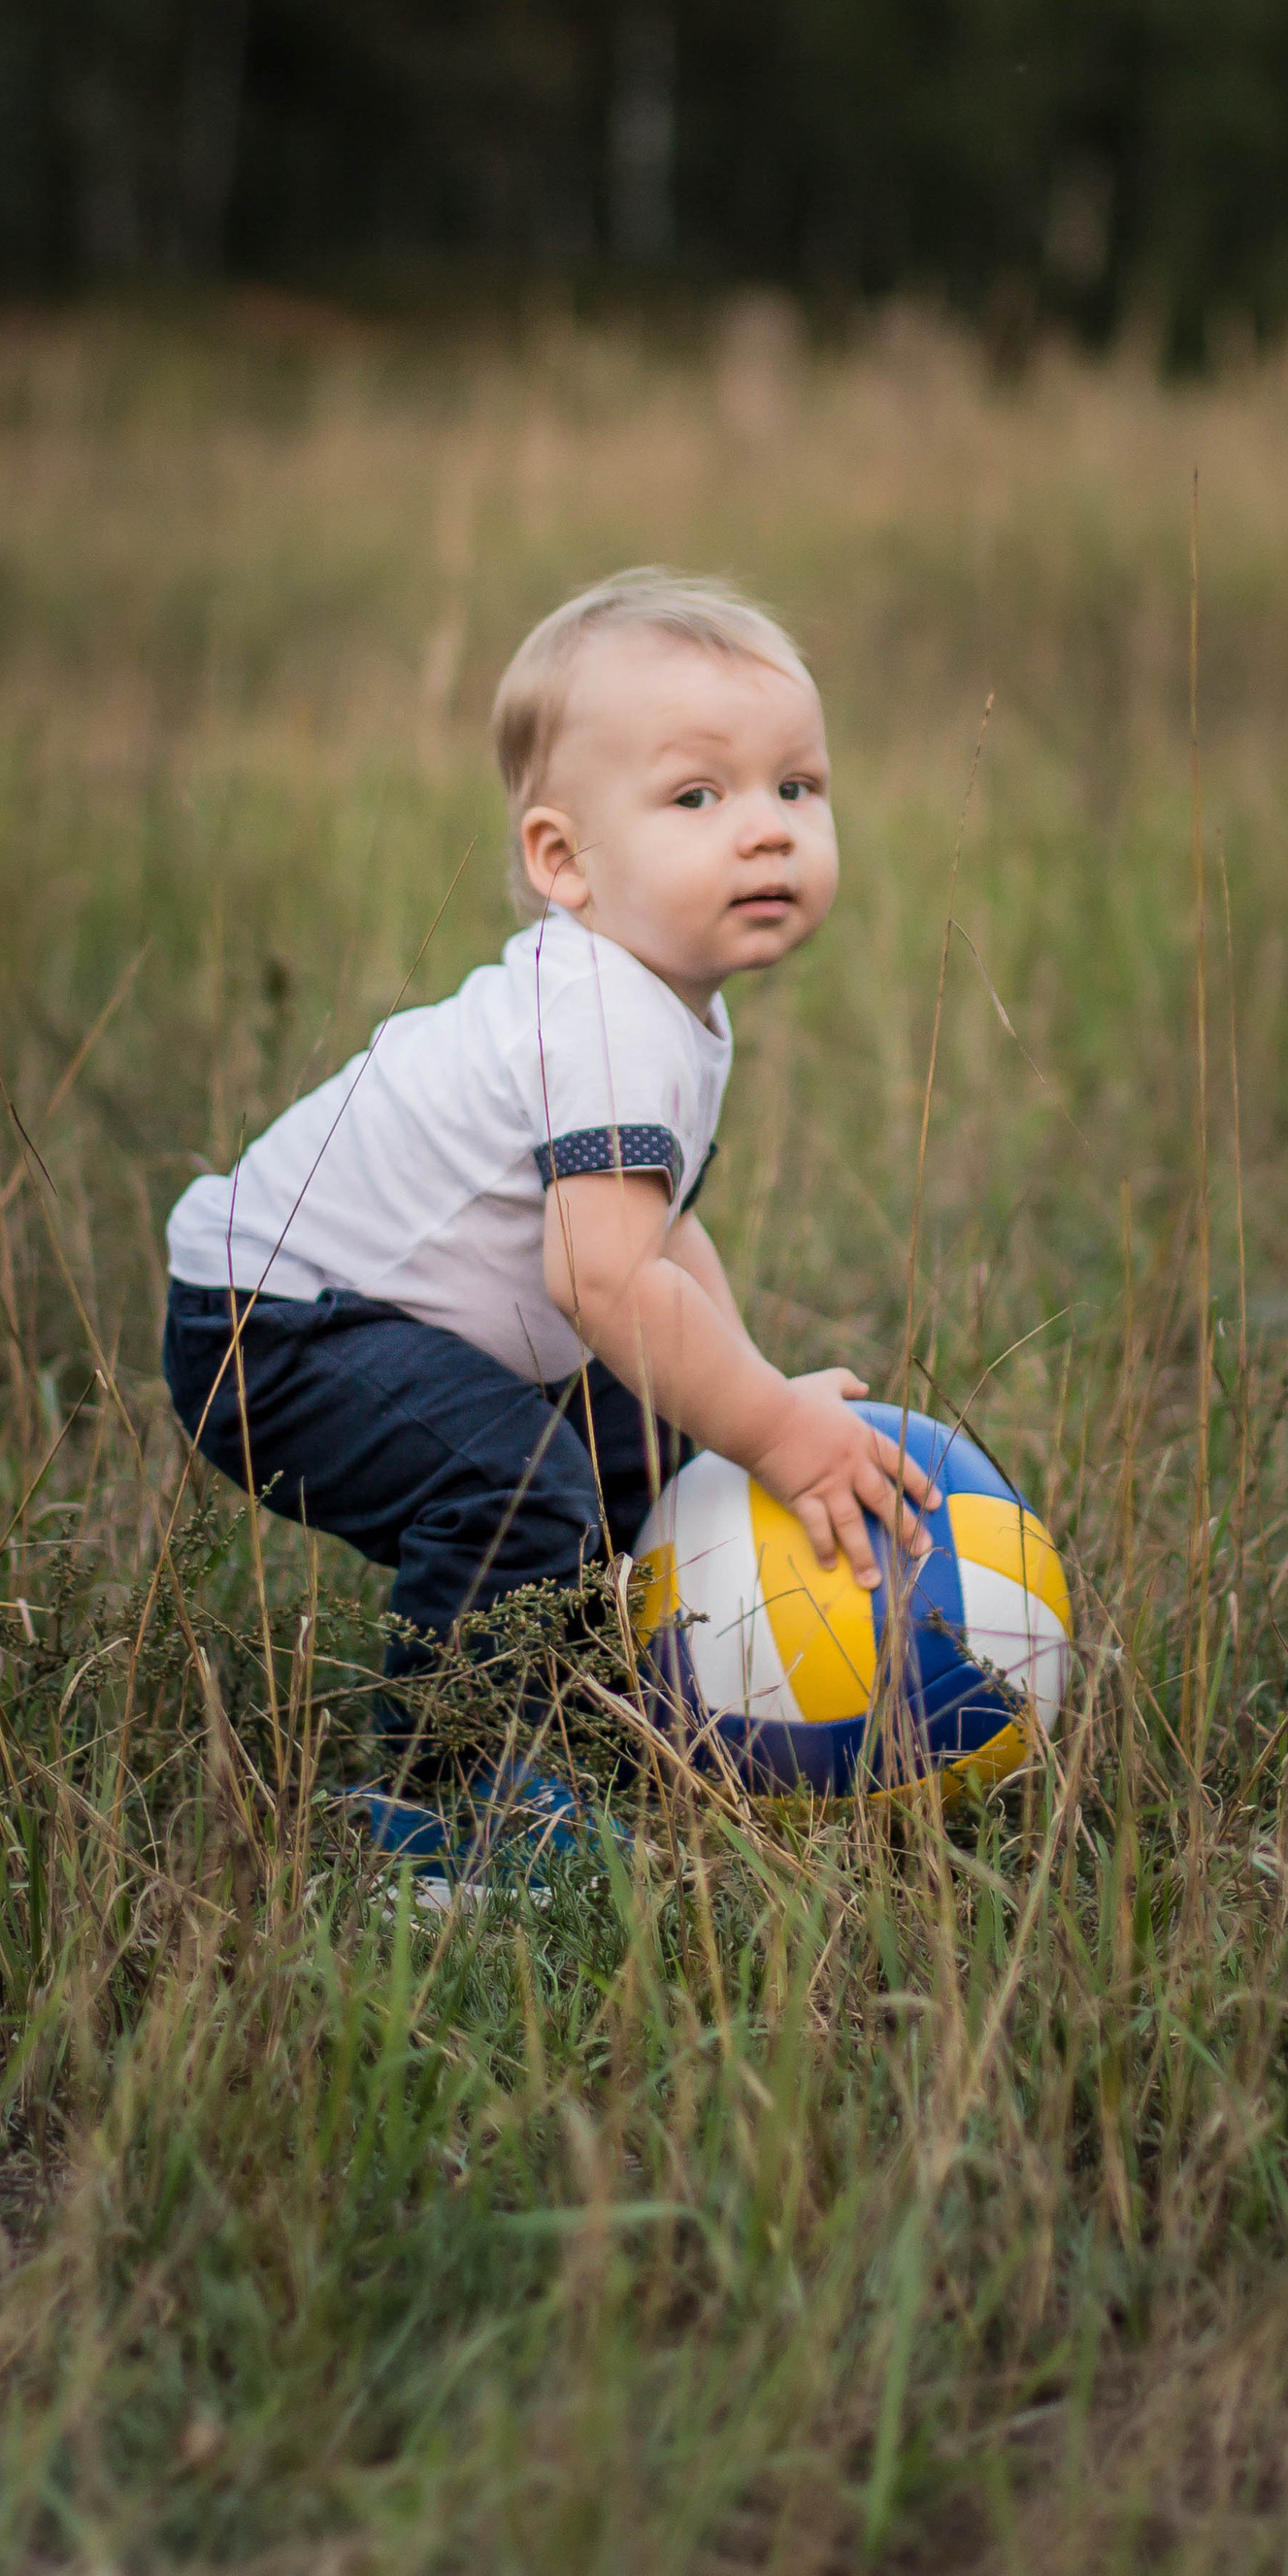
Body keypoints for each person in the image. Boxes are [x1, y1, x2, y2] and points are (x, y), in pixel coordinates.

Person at [159, 566, 940, 1880]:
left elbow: (661, 1238)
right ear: (562, 859)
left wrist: (735, 1393)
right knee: (514, 1490)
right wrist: (779, 1432)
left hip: (350, 1313)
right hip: (275, 1331)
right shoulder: (609, 1018)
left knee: (637, 1449)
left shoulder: (661, 998)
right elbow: (601, 1284)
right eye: (700, 797)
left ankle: (596, 1709)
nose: (767, 830)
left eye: (796, 788)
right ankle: (434, 1809)